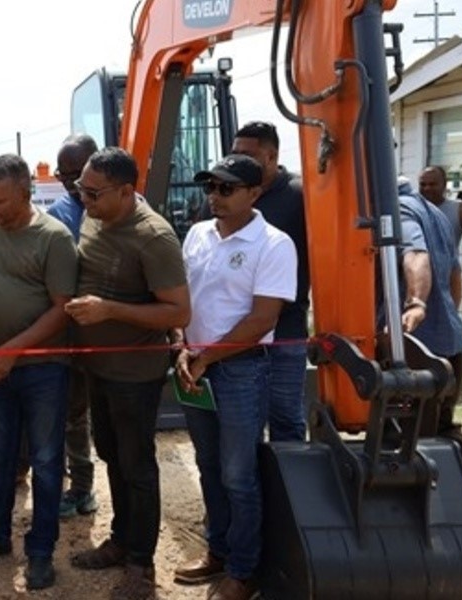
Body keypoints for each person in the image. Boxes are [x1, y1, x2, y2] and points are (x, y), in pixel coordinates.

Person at [64, 147, 191, 599]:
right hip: (97, 366)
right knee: (112, 455)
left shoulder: (154, 237)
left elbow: (179, 310)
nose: (84, 200)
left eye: (93, 193)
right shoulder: (96, 216)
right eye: (81, 189)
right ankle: (121, 540)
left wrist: (109, 310)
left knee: (137, 465)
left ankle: (142, 563)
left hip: (134, 373)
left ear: (125, 191)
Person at [174, 155, 296, 600]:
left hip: (241, 370)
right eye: (211, 188)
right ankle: (219, 551)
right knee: (208, 467)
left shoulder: (274, 244)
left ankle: (244, 571)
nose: (215, 197)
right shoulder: (198, 234)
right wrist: (183, 346)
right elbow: (182, 298)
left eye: (226, 189)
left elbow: (262, 317)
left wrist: (206, 356)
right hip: (196, 367)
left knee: (238, 474)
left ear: (254, 193)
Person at [0, 154, 75, 591]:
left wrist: (10, 351)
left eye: (1, 201)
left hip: (44, 368)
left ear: (25, 194)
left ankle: (41, 551)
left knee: (45, 461)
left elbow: (62, 311)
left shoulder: (54, 238)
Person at [392, 189, 462, 508]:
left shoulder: (400, 213)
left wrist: (417, 303)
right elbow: (455, 274)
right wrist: (447, 318)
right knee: (444, 426)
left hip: (422, 347)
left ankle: (441, 512)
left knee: (423, 435)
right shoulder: (435, 214)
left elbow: (416, 256)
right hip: (448, 341)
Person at [228, 122, 311, 443]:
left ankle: (287, 492)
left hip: (285, 335)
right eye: (235, 154)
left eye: (248, 155)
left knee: (285, 420)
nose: (239, 162)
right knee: (242, 426)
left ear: (272, 156)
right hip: (234, 334)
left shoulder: (300, 196)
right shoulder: (224, 194)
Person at [48, 133, 99, 519]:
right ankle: (81, 486)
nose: (69, 181)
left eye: (76, 172)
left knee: (117, 423)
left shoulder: (133, 207)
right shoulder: (59, 216)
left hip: (119, 332)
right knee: (72, 414)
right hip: (74, 332)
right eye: (63, 173)